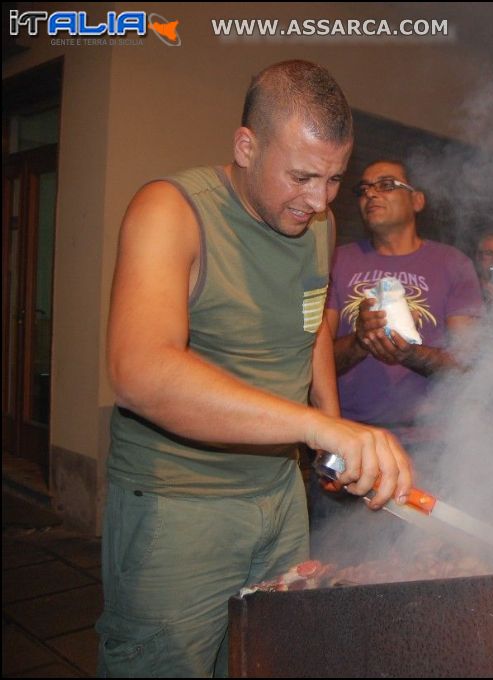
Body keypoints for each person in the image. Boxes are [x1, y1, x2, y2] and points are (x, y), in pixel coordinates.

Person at [98, 60, 412, 678]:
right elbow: (138, 371)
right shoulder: (171, 210)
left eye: (333, 180)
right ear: (246, 145)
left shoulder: (316, 222)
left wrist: (331, 426)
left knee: (267, 663)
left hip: (279, 499)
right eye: (301, 176)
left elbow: (313, 320)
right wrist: (319, 428)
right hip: (179, 507)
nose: (319, 201)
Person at [324, 160, 484, 458]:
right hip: (350, 439)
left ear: (417, 200)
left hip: (429, 444)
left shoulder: (452, 264)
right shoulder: (336, 261)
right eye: (363, 189)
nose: (371, 194)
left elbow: (467, 365)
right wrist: (361, 342)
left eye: (386, 185)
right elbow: (316, 362)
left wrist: (411, 354)